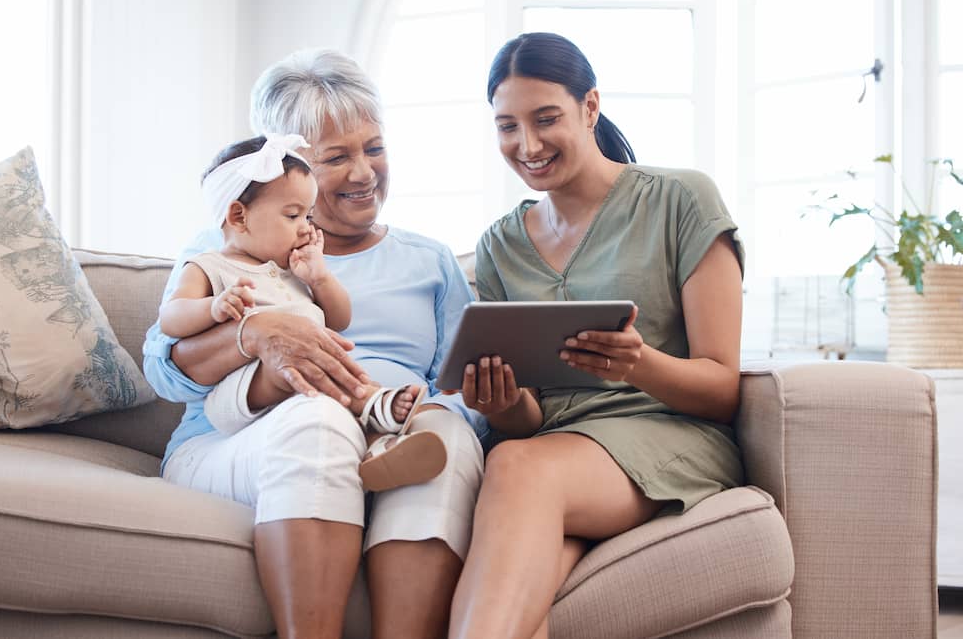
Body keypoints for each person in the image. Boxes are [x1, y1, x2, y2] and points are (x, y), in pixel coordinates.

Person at [142, 49, 485, 639]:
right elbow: (164, 369)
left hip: (392, 428)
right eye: (336, 158)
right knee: (318, 421)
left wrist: (420, 411)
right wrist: (252, 333)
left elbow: (462, 386)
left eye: (374, 148)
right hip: (241, 439)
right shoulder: (227, 248)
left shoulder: (427, 261)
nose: (364, 173)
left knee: (445, 435)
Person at [447, 32, 745, 639]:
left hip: (668, 437)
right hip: (556, 454)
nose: (526, 145)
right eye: (507, 126)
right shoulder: (499, 246)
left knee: (517, 469)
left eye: (546, 118)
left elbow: (723, 389)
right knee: (524, 595)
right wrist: (505, 403)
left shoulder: (680, 199)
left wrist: (639, 364)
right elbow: (530, 421)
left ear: (590, 108)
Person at [158, 133, 446, 491]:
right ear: (238, 215)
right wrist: (213, 307)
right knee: (306, 368)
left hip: (301, 395)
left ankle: (379, 449)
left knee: (326, 373)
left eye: (308, 215)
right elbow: (171, 318)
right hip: (240, 393)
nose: (307, 227)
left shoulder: (290, 272)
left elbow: (340, 321)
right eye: (293, 215)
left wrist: (320, 278)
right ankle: (376, 403)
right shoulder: (208, 266)